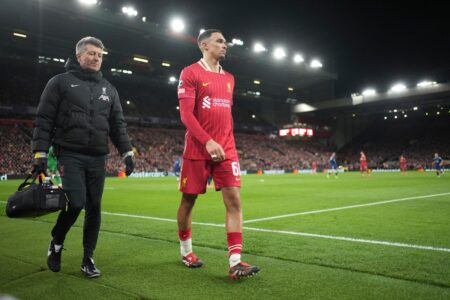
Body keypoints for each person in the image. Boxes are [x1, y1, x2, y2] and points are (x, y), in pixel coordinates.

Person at [31, 36, 135, 278]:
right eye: (91, 54)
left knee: (95, 208)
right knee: (76, 203)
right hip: (70, 153)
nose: (96, 58)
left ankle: (88, 257)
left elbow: (118, 124)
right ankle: (57, 240)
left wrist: (127, 152)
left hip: (98, 156)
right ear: (79, 56)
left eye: (99, 55)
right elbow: (44, 119)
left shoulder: (109, 89)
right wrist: (40, 152)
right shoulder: (60, 83)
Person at [176, 29, 260, 279]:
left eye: (226, 42)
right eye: (220, 41)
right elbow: (186, 115)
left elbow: (224, 115)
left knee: (234, 201)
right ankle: (186, 251)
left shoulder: (230, 78)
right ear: (204, 45)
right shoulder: (190, 73)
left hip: (227, 149)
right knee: (188, 201)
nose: (225, 45)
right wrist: (207, 141)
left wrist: (222, 142)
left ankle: (235, 262)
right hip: (198, 149)